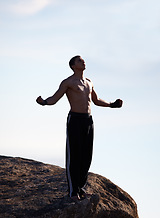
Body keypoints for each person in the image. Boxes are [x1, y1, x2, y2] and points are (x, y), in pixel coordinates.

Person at [36, 55, 123, 201]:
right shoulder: (68, 82)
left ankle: (81, 189)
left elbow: (96, 100)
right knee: (74, 155)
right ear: (73, 66)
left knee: (86, 156)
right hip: (75, 120)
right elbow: (55, 98)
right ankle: (72, 192)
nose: (83, 62)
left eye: (83, 60)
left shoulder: (89, 82)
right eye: (79, 61)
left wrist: (111, 104)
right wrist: (44, 102)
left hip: (88, 120)